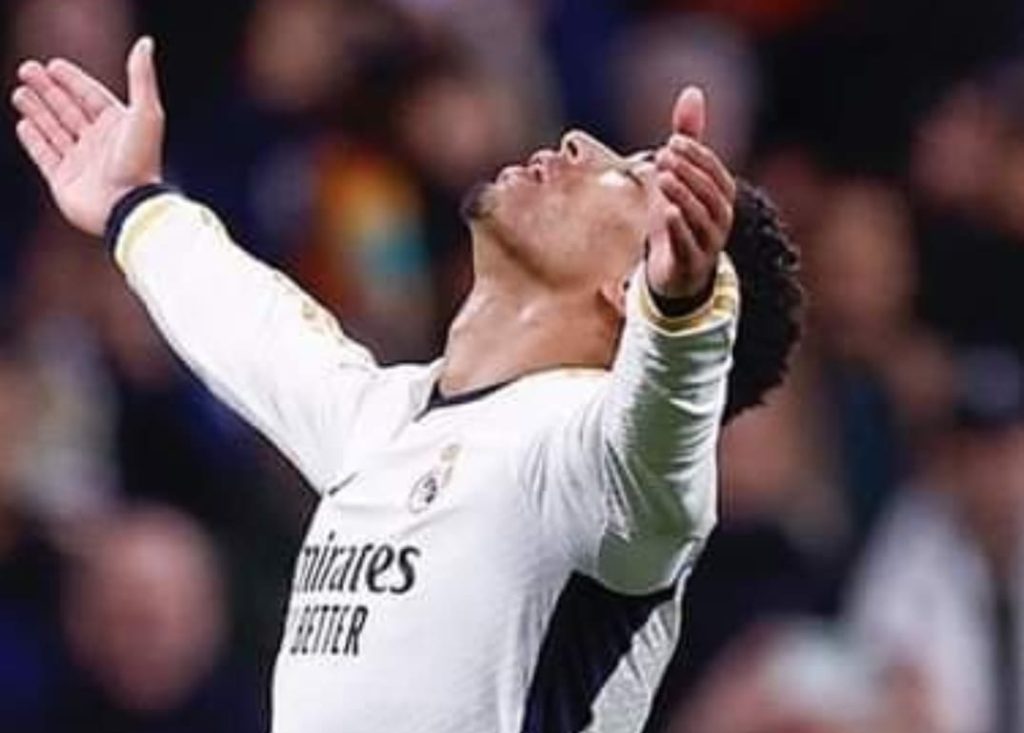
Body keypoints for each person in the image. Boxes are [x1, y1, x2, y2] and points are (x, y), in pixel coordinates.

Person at [10, 37, 801, 733]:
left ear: (636, 284)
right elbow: (254, 327)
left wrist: (684, 313)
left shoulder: (592, 473)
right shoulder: (388, 418)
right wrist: (136, 204)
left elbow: (667, 426)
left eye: (627, 176)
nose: (579, 142)